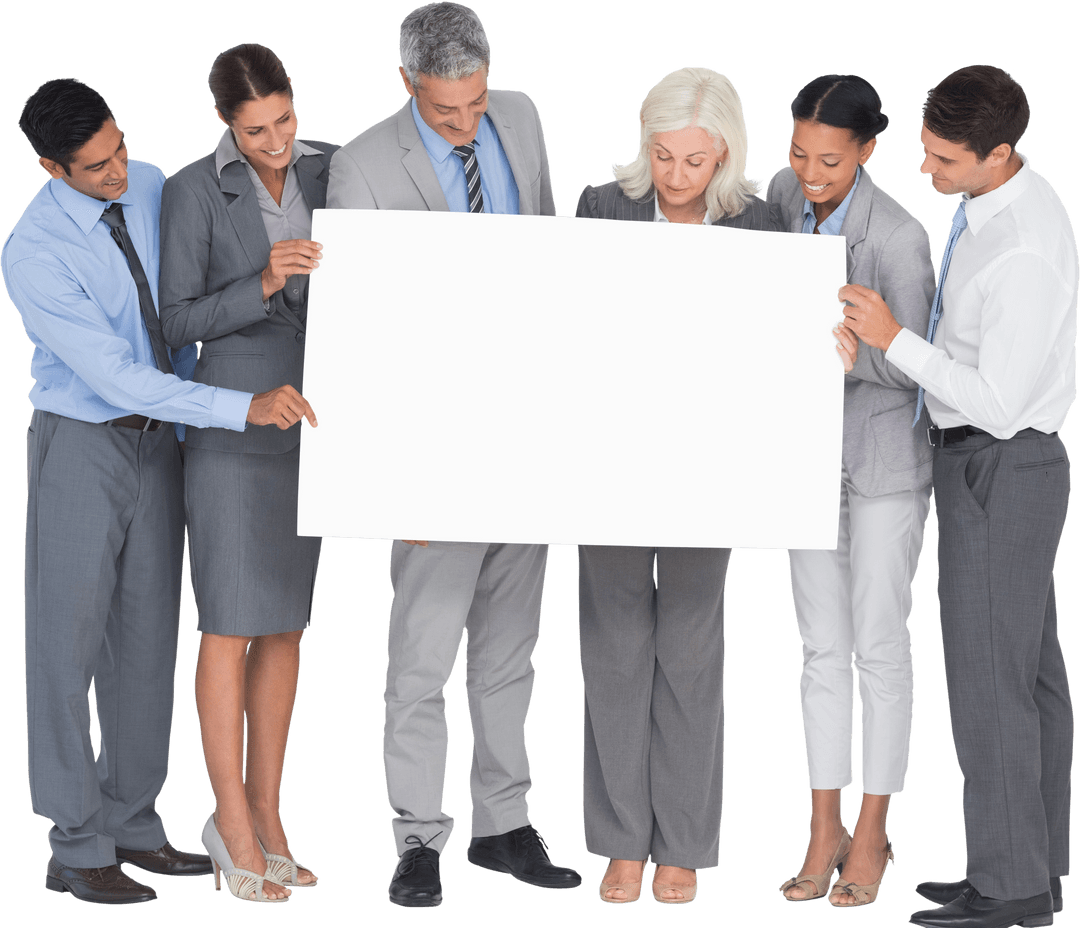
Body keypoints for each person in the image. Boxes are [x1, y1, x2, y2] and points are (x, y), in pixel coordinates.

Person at [2, 77, 309, 906]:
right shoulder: (32, 252)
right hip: (82, 444)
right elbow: (114, 376)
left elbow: (186, 300)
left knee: (145, 643)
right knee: (65, 649)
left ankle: (135, 825)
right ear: (51, 167)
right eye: (97, 166)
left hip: (163, 448)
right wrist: (238, 407)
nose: (119, 171)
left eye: (121, 148)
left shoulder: (148, 186)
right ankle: (74, 843)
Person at [326, 2, 578, 908]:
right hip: (434, 450)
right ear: (406, 85)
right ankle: (417, 836)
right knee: (422, 662)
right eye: (445, 111)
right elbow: (363, 330)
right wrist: (394, 472)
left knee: (511, 651)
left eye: (474, 101)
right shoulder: (358, 168)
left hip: (528, 434)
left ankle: (502, 826)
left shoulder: (521, 115)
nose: (467, 121)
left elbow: (552, 254)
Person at [841, 64, 1076, 928]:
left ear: (999, 153)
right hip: (997, 469)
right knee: (1030, 679)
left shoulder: (1024, 251)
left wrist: (892, 339)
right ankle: (1037, 867)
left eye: (943, 159)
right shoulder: (995, 205)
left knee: (988, 685)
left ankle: (1008, 888)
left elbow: (999, 400)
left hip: (997, 466)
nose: (926, 170)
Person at [574, 66, 782, 906]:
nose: (676, 177)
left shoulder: (763, 219)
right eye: (663, 156)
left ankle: (685, 845)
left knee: (692, 653)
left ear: (726, 154)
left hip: (711, 464)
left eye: (696, 162)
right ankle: (622, 841)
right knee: (614, 651)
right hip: (611, 459)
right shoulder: (602, 206)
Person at [158, 43, 331, 904]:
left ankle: (270, 813)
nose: (274, 143)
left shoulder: (332, 171)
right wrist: (264, 279)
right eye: (255, 130)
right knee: (229, 623)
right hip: (231, 423)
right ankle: (227, 820)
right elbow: (177, 317)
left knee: (286, 626)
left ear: (296, 103)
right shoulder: (194, 190)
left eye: (284, 122)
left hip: (315, 423)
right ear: (226, 123)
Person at [765, 74, 935, 909]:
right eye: (798, 153)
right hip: (801, 464)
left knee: (876, 646)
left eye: (829, 159)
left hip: (880, 472)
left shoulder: (899, 237)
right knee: (820, 652)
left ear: (869, 149)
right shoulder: (775, 197)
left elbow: (916, 368)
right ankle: (823, 826)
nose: (809, 172)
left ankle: (873, 831)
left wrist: (850, 355)